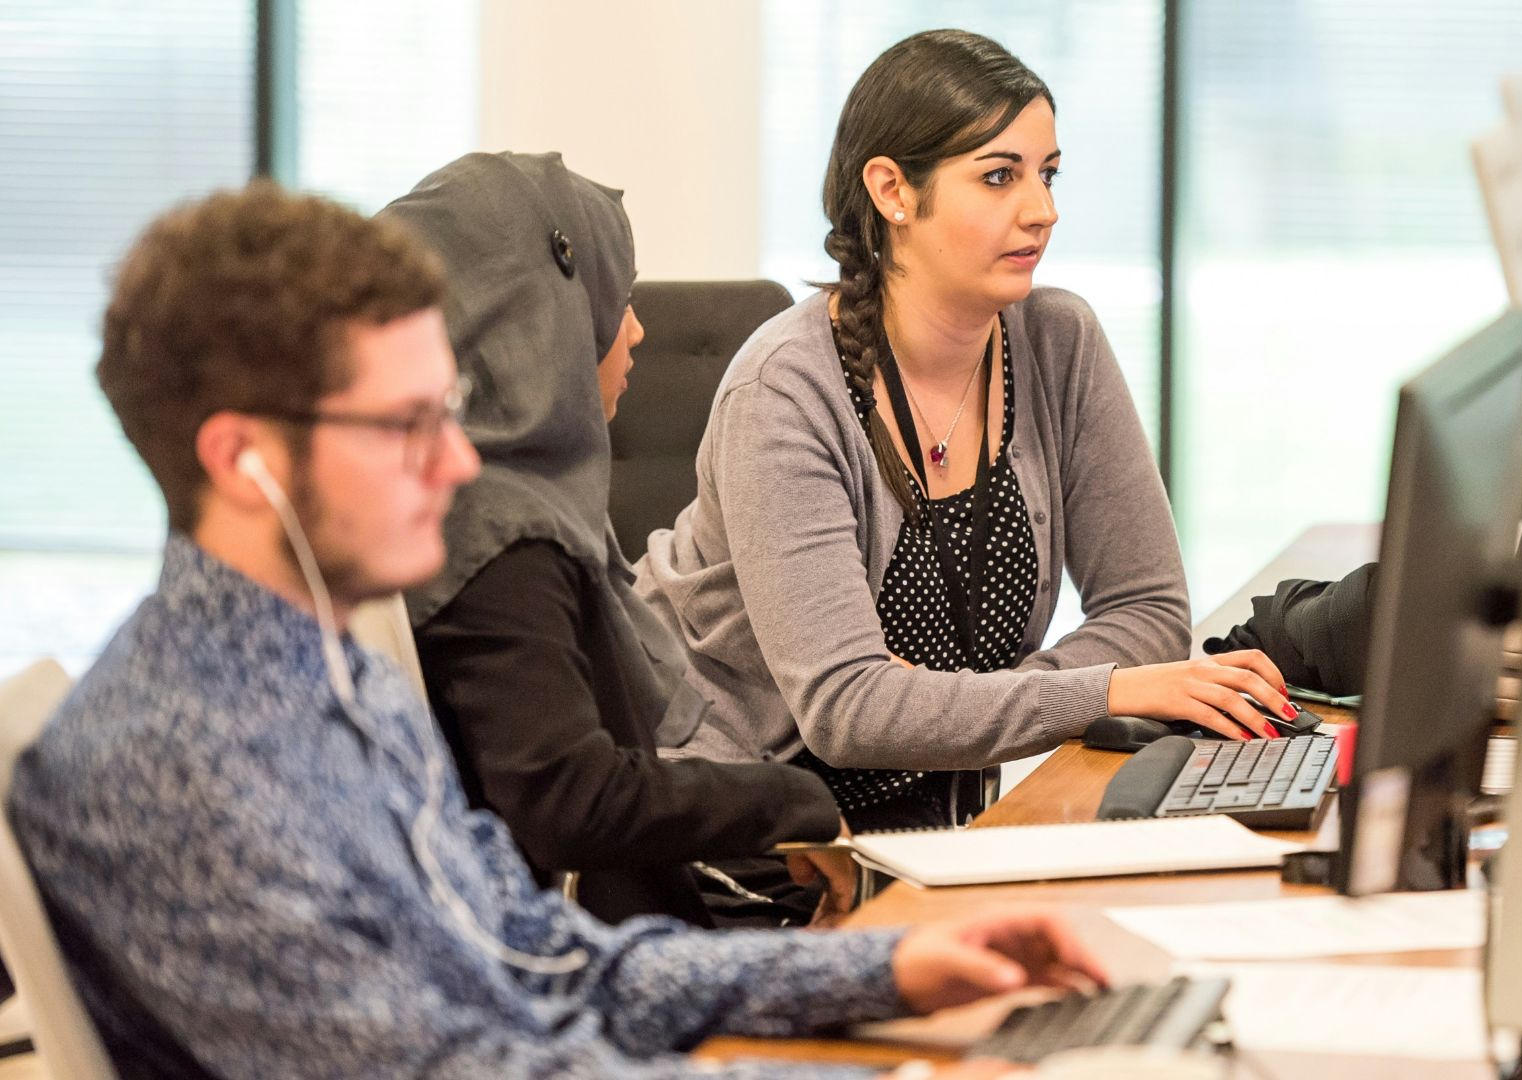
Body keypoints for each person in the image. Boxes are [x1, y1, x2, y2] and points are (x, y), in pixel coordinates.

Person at [8, 180, 1104, 1078]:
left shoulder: (333, 682)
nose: (454, 461)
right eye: (405, 424)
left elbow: (543, 961)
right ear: (241, 461)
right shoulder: (180, 760)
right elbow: (457, 1072)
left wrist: (886, 972)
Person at [636, 29, 1297, 829]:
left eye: (1047, 174)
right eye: (999, 177)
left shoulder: (1058, 342)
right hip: (752, 834)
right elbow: (848, 710)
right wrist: (1103, 688)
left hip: (939, 821)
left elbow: (1149, 610)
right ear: (892, 191)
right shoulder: (786, 390)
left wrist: (955, 703)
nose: (1043, 210)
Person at [383, 152, 850, 929]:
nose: (636, 329)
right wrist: (791, 802)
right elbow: (569, 801)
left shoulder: (484, 504)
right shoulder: (502, 538)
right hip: (591, 961)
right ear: (540, 317)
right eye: (616, 299)